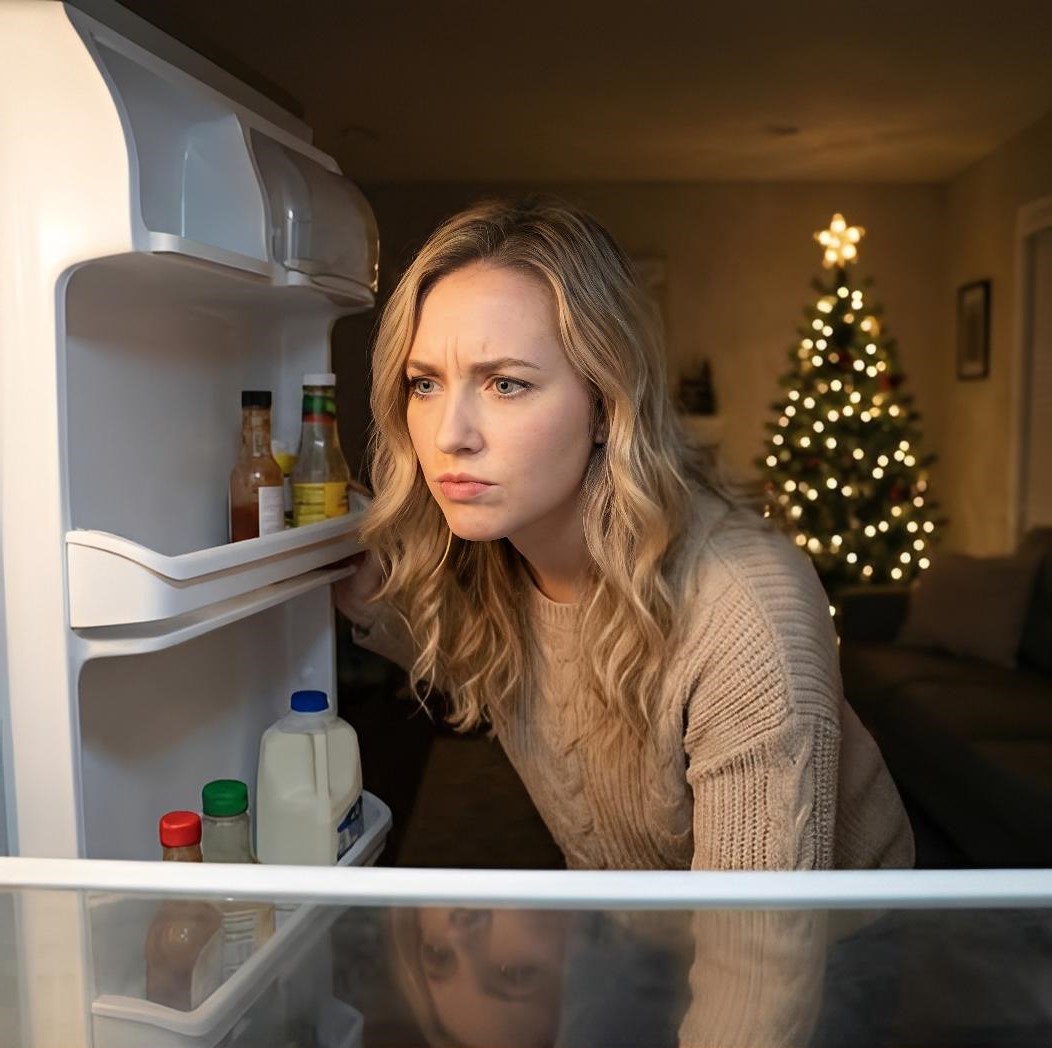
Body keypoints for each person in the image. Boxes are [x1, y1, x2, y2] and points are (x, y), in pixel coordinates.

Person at [336, 195, 914, 1044]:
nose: (449, 434)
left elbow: (756, 978)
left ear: (607, 404)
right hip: (622, 909)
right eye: (425, 383)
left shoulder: (744, 609)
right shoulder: (499, 546)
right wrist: (354, 586)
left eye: (506, 384)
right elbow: (510, 669)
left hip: (824, 944)